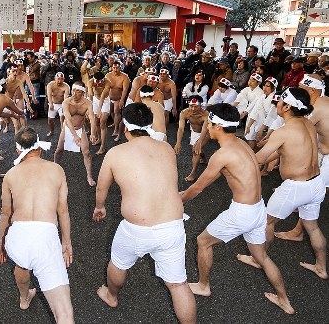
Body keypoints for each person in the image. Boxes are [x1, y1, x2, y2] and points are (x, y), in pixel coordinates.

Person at [180, 103, 295, 315]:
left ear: (217, 126)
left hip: (242, 212)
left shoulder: (222, 155)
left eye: (209, 124)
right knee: (261, 257)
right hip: (258, 208)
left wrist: (179, 200)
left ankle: (203, 286)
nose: (207, 127)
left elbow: (197, 187)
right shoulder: (241, 143)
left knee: (203, 242)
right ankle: (284, 300)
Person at [93, 103, 196, 324]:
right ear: (150, 124)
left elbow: (102, 187)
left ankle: (111, 296)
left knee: (118, 264)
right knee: (178, 284)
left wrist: (100, 207)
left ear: (125, 127)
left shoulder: (115, 153)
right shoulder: (166, 148)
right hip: (172, 225)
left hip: (136, 229)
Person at [0, 127, 74, 323]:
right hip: (44, 237)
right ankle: (27, 296)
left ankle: (24, 298)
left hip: (17, 236)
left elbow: (5, 213)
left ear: (17, 150)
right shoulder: (56, 169)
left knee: (22, 264)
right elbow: (62, 210)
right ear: (39, 145)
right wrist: (67, 242)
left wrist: (0, 242)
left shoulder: (11, 174)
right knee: (63, 313)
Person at [254, 87, 327, 280]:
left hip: (295, 187)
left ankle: (259, 259)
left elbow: (259, 159)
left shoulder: (283, 131)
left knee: (266, 222)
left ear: (286, 106)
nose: (276, 104)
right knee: (312, 227)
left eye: (279, 101)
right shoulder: (308, 123)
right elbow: (293, 149)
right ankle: (321, 267)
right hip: (316, 183)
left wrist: (239, 152)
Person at [54, 82, 97, 186]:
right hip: (68, 128)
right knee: (59, 150)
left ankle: (89, 176)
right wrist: (75, 136)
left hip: (80, 128)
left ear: (82, 92)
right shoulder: (66, 102)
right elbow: (68, 120)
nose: (74, 93)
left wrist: (92, 133)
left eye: (77, 91)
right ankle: (54, 168)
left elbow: (92, 118)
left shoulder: (87, 103)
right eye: (73, 90)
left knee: (86, 152)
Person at [174, 95, 208, 182]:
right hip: (194, 132)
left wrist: (199, 142)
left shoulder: (205, 114)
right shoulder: (184, 113)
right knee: (197, 149)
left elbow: (204, 129)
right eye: (191, 106)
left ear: (200, 105)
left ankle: (192, 174)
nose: (192, 109)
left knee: (195, 150)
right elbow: (181, 128)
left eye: (195, 106)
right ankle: (203, 158)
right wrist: (178, 142)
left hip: (207, 133)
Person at [88, 72, 111, 155]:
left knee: (102, 123)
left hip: (104, 101)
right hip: (95, 100)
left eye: (99, 82)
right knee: (96, 122)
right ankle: (99, 138)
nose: (97, 84)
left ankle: (103, 146)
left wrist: (99, 110)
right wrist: (90, 107)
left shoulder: (107, 82)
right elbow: (90, 94)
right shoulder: (90, 81)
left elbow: (102, 97)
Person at [106, 61, 129, 141]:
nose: (115, 69)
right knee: (111, 112)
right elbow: (105, 88)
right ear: (111, 68)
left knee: (117, 112)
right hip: (109, 98)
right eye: (114, 68)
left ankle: (116, 129)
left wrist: (122, 100)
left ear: (120, 68)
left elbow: (125, 90)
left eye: (117, 68)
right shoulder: (108, 75)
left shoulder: (125, 77)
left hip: (118, 98)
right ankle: (115, 122)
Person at [46, 72, 70, 137]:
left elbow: (65, 99)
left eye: (61, 79)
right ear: (55, 78)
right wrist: (51, 104)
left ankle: (63, 133)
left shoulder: (66, 86)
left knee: (62, 118)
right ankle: (51, 131)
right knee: (50, 120)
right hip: (53, 103)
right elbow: (49, 95)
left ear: (63, 79)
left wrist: (64, 107)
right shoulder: (50, 85)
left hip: (62, 104)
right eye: (58, 79)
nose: (59, 81)